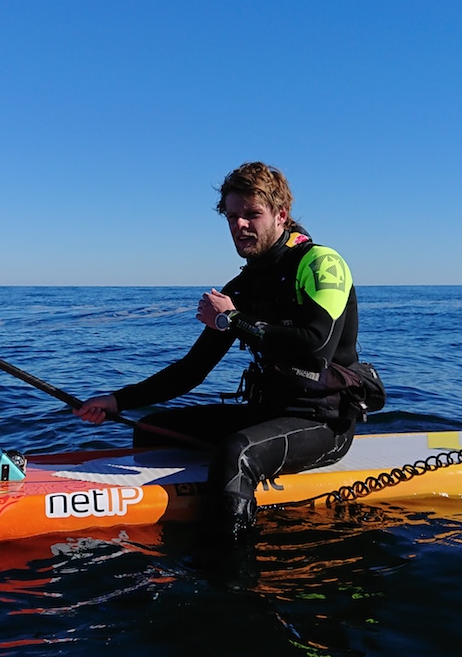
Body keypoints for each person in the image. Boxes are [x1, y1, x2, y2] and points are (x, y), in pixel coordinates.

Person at [74, 162, 374, 535]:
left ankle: (231, 577)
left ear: (281, 215)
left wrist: (233, 321)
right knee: (152, 429)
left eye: (252, 214)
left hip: (323, 421)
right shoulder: (242, 287)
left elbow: (316, 350)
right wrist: (118, 400)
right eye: (233, 216)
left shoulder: (320, 263)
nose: (240, 225)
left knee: (237, 454)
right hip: (268, 412)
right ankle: (162, 523)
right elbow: (192, 370)